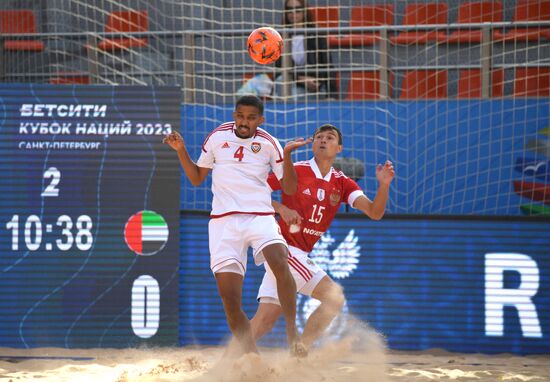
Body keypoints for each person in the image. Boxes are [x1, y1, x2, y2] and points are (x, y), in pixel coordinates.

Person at [163, 95, 310, 357]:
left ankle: (292, 332)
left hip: (259, 215)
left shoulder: (269, 143)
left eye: (251, 117)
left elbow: (289, 188)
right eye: (240, 116)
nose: (245, 122)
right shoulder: (217, 137)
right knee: (230, 300)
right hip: (224, 222)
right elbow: (197, 178)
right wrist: (181, 151)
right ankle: (252, 358)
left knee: (279, 260)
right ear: (234, 115)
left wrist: (286, 155)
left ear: (260, 120)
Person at [250, 123, 395, 350]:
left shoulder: (342, 182)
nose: (323, 140)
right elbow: (253, 192)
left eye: (329, 137)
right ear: (313, 143)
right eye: (319, 137)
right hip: (282, 247)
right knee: (333, 297)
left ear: (339, 148)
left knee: (265, 321)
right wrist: (281, 209)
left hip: (295, 252)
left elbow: (375, 213)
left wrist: (384, 185)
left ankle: (227, 359)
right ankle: (301, 353)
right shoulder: (296, 169)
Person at [273, 0, 339, 100]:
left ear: (304, 11)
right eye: (289, 10)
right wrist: (301, 79)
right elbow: (278, 70)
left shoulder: (317, 34)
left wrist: (331, 96)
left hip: (314, 87)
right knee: (281, 81)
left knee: (291, 95)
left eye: (297, 10)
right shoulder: (281, 37)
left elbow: (328, 67)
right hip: (292, 84)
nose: (293, 13)